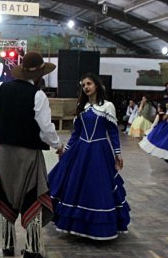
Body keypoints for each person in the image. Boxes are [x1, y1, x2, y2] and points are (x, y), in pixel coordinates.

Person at [0, 52, 64, 258]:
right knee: (32, 197)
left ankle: (7, 244)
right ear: (39, 74)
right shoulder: (38, 95)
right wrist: (58, 145)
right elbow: (45, 127)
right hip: (28, 154)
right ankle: (33, 249)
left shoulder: (0, 88)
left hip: (4, 153)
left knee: (6, 196)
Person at [48, 73, 130, 240]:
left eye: (89, 83)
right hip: (81, 151)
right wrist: (66, 151)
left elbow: (113, 132)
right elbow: (76, 133)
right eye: (84, 84)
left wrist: (117, 153)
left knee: (98, 186)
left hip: (100, 152)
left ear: (97, 85)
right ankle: (76, 224)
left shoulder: (107, 106)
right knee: (76, 185)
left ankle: (98, 227)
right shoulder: (82, 106)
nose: (86, 87)